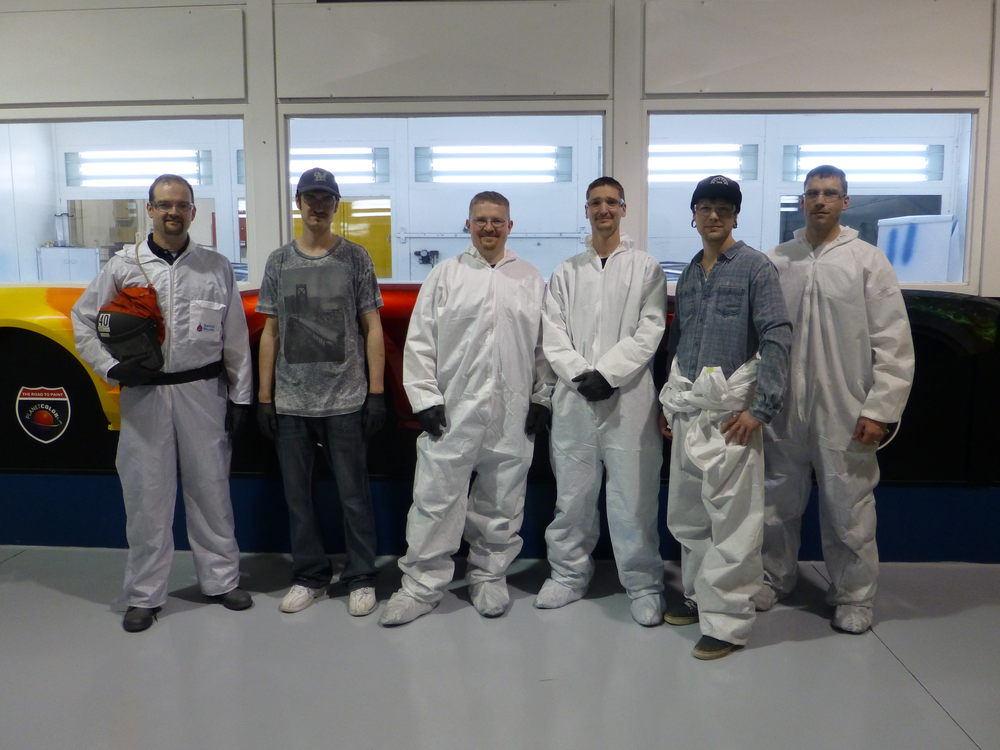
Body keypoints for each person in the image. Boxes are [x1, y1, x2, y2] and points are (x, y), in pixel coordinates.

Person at [72, 174, 253, 633]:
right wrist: (112, 370)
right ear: (149, 209)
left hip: (203, 393)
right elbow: (82, 321)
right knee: (147, 496)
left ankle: (221, 579)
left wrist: (242, 396)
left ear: (193, 211)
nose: (173, 212)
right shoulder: (123, 266)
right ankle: (144, 594)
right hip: (146, 394)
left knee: (211, 489)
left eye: (182, 204)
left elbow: (234, 336)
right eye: (164, 204)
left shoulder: (215, 266)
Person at [379, 191, 553, 626]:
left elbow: (543, 348)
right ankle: (420, 585)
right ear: (468, 225)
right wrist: (425, 400)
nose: (489, 228)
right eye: (481, 220)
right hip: (453, 408)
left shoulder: (530, 278)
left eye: (497, 221)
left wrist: (541, 397)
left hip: (512, 411)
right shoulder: (445, 275)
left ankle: (489, 576)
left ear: (510, 226)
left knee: (502, 498)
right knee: (435, 498)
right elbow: (420, 343)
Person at [757, 165, 914, 634]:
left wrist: (880, 409)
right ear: (801, 202)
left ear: (846, 202)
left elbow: (893, 342)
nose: (820, 200)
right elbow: (760, 336)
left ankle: (854, 595)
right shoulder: (777, 261)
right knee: (774, 499)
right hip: (783, 406)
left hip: (845, 407)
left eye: (830, 193)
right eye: (812, 193)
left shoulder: (867, 261)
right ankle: (772, 576)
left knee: (848, 504)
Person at [659, 175, 791, 659]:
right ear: (693, 213)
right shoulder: (692, 271)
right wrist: (667, 401)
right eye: (705, 207)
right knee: (690, 516)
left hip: (732, 415)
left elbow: (777, 336)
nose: (713, 216)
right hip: (690, 408)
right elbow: (679, 341)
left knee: (733, 522)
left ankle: (728, 622)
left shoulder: (756, 267)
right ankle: (697, 598)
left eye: (724, 208)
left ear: (736, 216)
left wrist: (760, 410)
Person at [534, 176, 667, 627]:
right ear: (586, 210)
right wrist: (580, 375)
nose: (603, 209)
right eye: (596, 203)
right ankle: (568, 574)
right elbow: (552, 333)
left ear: (623, 209)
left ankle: (643, 583)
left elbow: (650, 328)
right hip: (575, 400)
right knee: (572, 494)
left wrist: (608, 374)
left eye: (611, 202)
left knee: (633, 497)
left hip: (628, 400)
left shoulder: (645, 267)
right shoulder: (566, 271)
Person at [256, 167, 385, 617]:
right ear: (298, 202)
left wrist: (376, 392)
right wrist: (265, 398)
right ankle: (309, 574)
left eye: (325, 198)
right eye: (310, 197)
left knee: (354, 494)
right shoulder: (279, 262)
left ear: (336, 204)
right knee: (297, 495)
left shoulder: (355, 258)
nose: (317, 205)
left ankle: (362, 574)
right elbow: (270, 332)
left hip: (346, 399)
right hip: (291, 402)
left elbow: (372, 327)